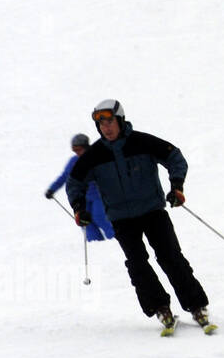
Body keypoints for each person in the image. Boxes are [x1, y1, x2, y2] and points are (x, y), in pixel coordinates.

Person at [66, 99, 214, 334]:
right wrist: (78, 207)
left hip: (153, 211)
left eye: (110, 121)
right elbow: (75, 182)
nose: (106, 127)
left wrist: (177, 187)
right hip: (121, 218)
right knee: (137, 264)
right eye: (101, 124)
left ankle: (197, 306)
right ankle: (160, 308)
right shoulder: (94, 155)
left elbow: (174, 157)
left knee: (170, 257)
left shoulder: (142, 142)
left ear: (120, 120)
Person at [46, 133, 114, 241]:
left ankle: (115, 238)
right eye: (74, 149)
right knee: (83, 220)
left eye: (79, 149)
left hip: (99, 195)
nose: (77, 152)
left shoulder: (96, 157)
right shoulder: (74, 161)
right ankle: (95, 242)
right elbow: (65, 176)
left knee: (99, 217)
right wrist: (52, 189)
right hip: (84, 197)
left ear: (86, 147)